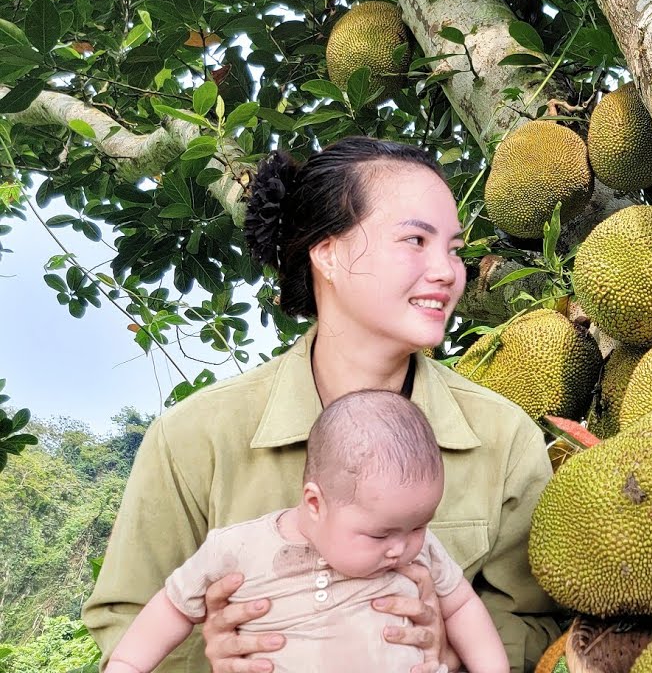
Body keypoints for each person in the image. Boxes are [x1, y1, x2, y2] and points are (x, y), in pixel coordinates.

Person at [85, 137, 560, 673]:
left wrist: (449, 651)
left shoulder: (504, 438)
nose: (448, 272)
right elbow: (124, 624)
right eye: (415, 241)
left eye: (453, 248)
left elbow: (539, 623)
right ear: (327, 252)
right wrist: (213, 651)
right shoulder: (193, 439)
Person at [104, 389, 508, 673]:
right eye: (379, 535)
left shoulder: (420, 550)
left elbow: (461, 607)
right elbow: (172, 606)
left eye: (419, 526)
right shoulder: (239, 548)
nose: (400, 548)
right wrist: (126, 664)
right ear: (315, 504)